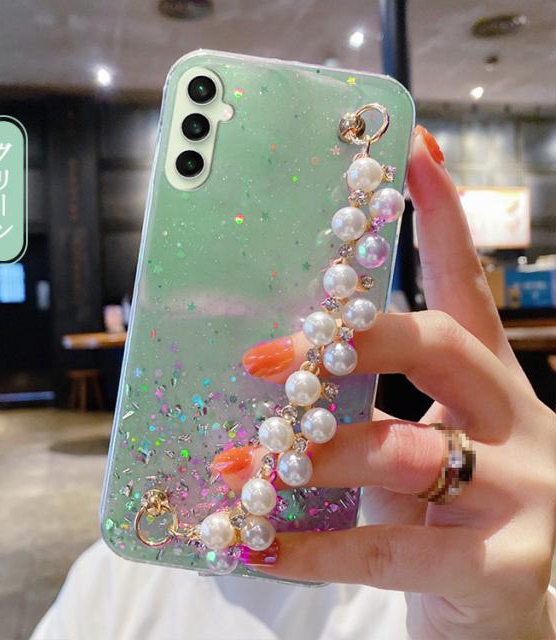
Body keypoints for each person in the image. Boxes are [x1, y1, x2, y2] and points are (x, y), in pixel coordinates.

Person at [32, 126, 556, 640]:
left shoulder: (452, 571)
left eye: (269, 307)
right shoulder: (108, 590)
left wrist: (504, 633)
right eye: (205, 322)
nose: (239, 371)